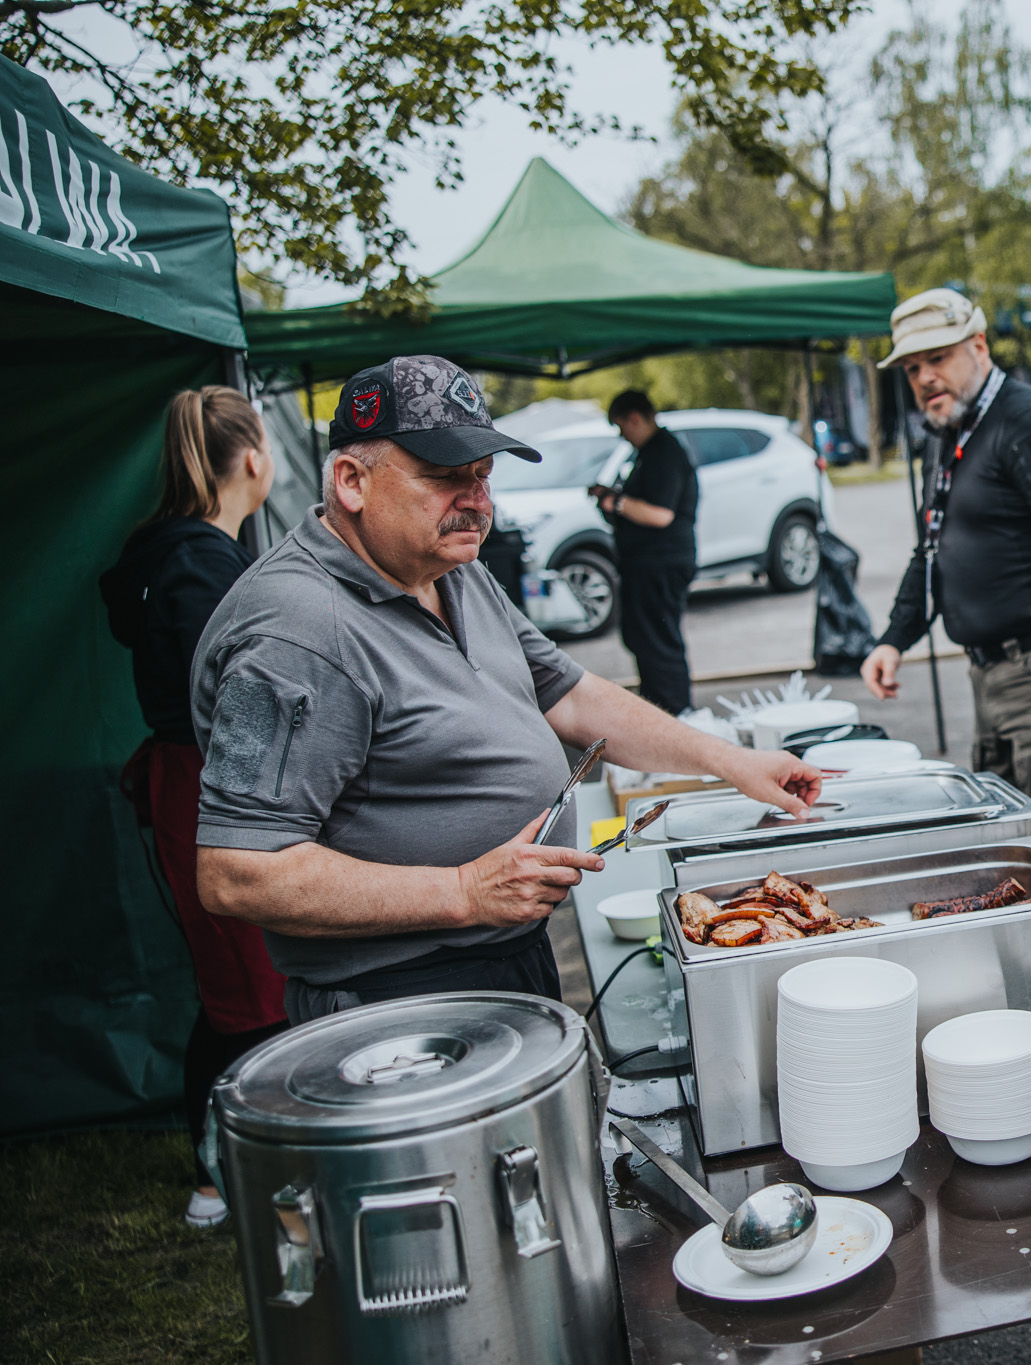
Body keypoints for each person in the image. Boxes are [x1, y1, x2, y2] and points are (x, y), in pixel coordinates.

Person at [191, 356, 821, 1023]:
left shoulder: (452, 570)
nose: (478, 502)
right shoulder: (296, 631)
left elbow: (572, 696)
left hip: (503, 956)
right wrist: (463, 890)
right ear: (351, 481)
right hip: (397, 997)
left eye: (484, 476)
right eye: (445, 477)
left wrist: (735, 763)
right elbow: (237, 871)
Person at [860, 289, 1031, 895]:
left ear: (978, 346)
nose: (925, 377)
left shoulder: (1029, 421)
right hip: (995, 674)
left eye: (938, 358)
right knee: (1010, 857)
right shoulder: (949, 429)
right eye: (912, 367)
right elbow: (932, 546)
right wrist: (895, 638)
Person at [99, 386, 285, 1229]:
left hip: (205, 784)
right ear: (252, 458)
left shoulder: (176, 551)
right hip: (210, 789)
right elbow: (234, 703)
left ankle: (242, 1164)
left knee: (249, 984)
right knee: (245, 991)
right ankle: (220, 1174)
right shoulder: (201, 563)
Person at [596, 390, 699, 713]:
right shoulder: (647, 453)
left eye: (621, 426)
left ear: (635, 419)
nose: (621, 435)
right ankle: (661, 711)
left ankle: (675, 714)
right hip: (644, 564)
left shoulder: (663, 453)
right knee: (645, 640)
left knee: (660, 644)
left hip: (661, 564)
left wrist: (617, 503)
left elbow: (660, 514)